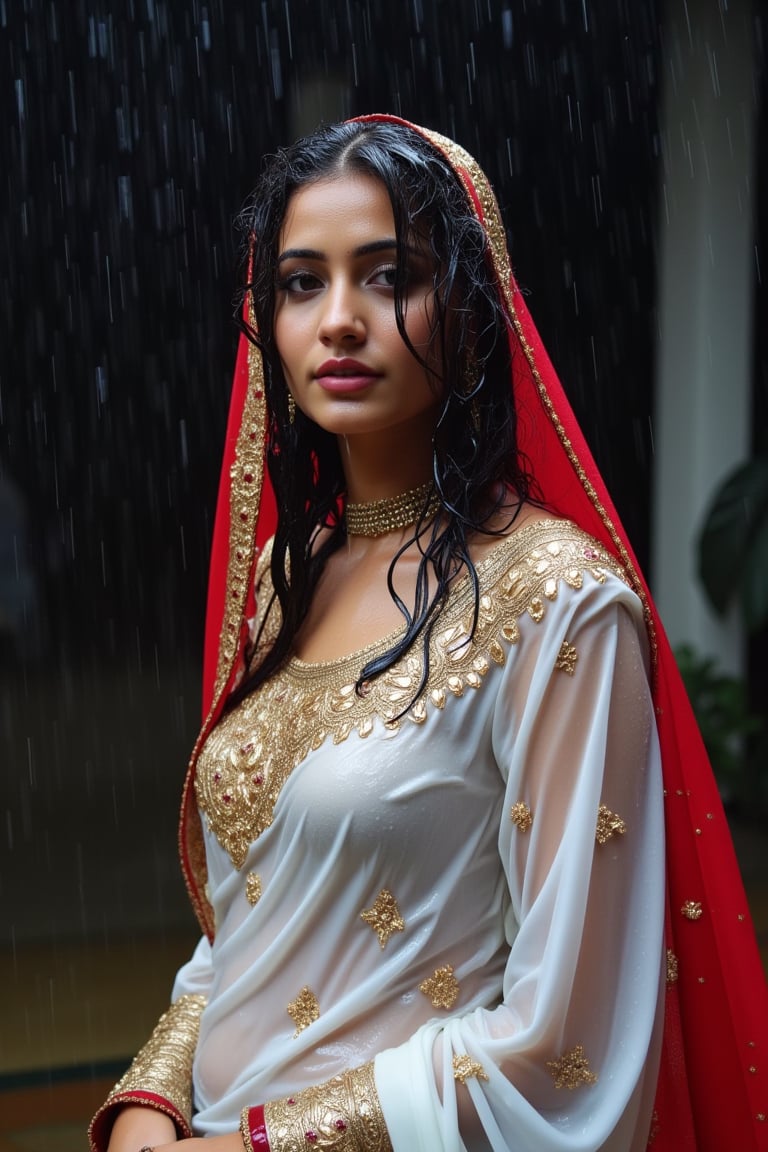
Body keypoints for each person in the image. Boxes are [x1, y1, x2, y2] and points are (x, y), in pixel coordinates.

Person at [89, 116, 768, 1152]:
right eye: (302, 282)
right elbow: (257, 916)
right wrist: (152, 1099)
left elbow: (564, 1044)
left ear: (470, 307)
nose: (340, 320)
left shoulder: (556, 603)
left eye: (389, 275)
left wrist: (253, 1147)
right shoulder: (283, 581)